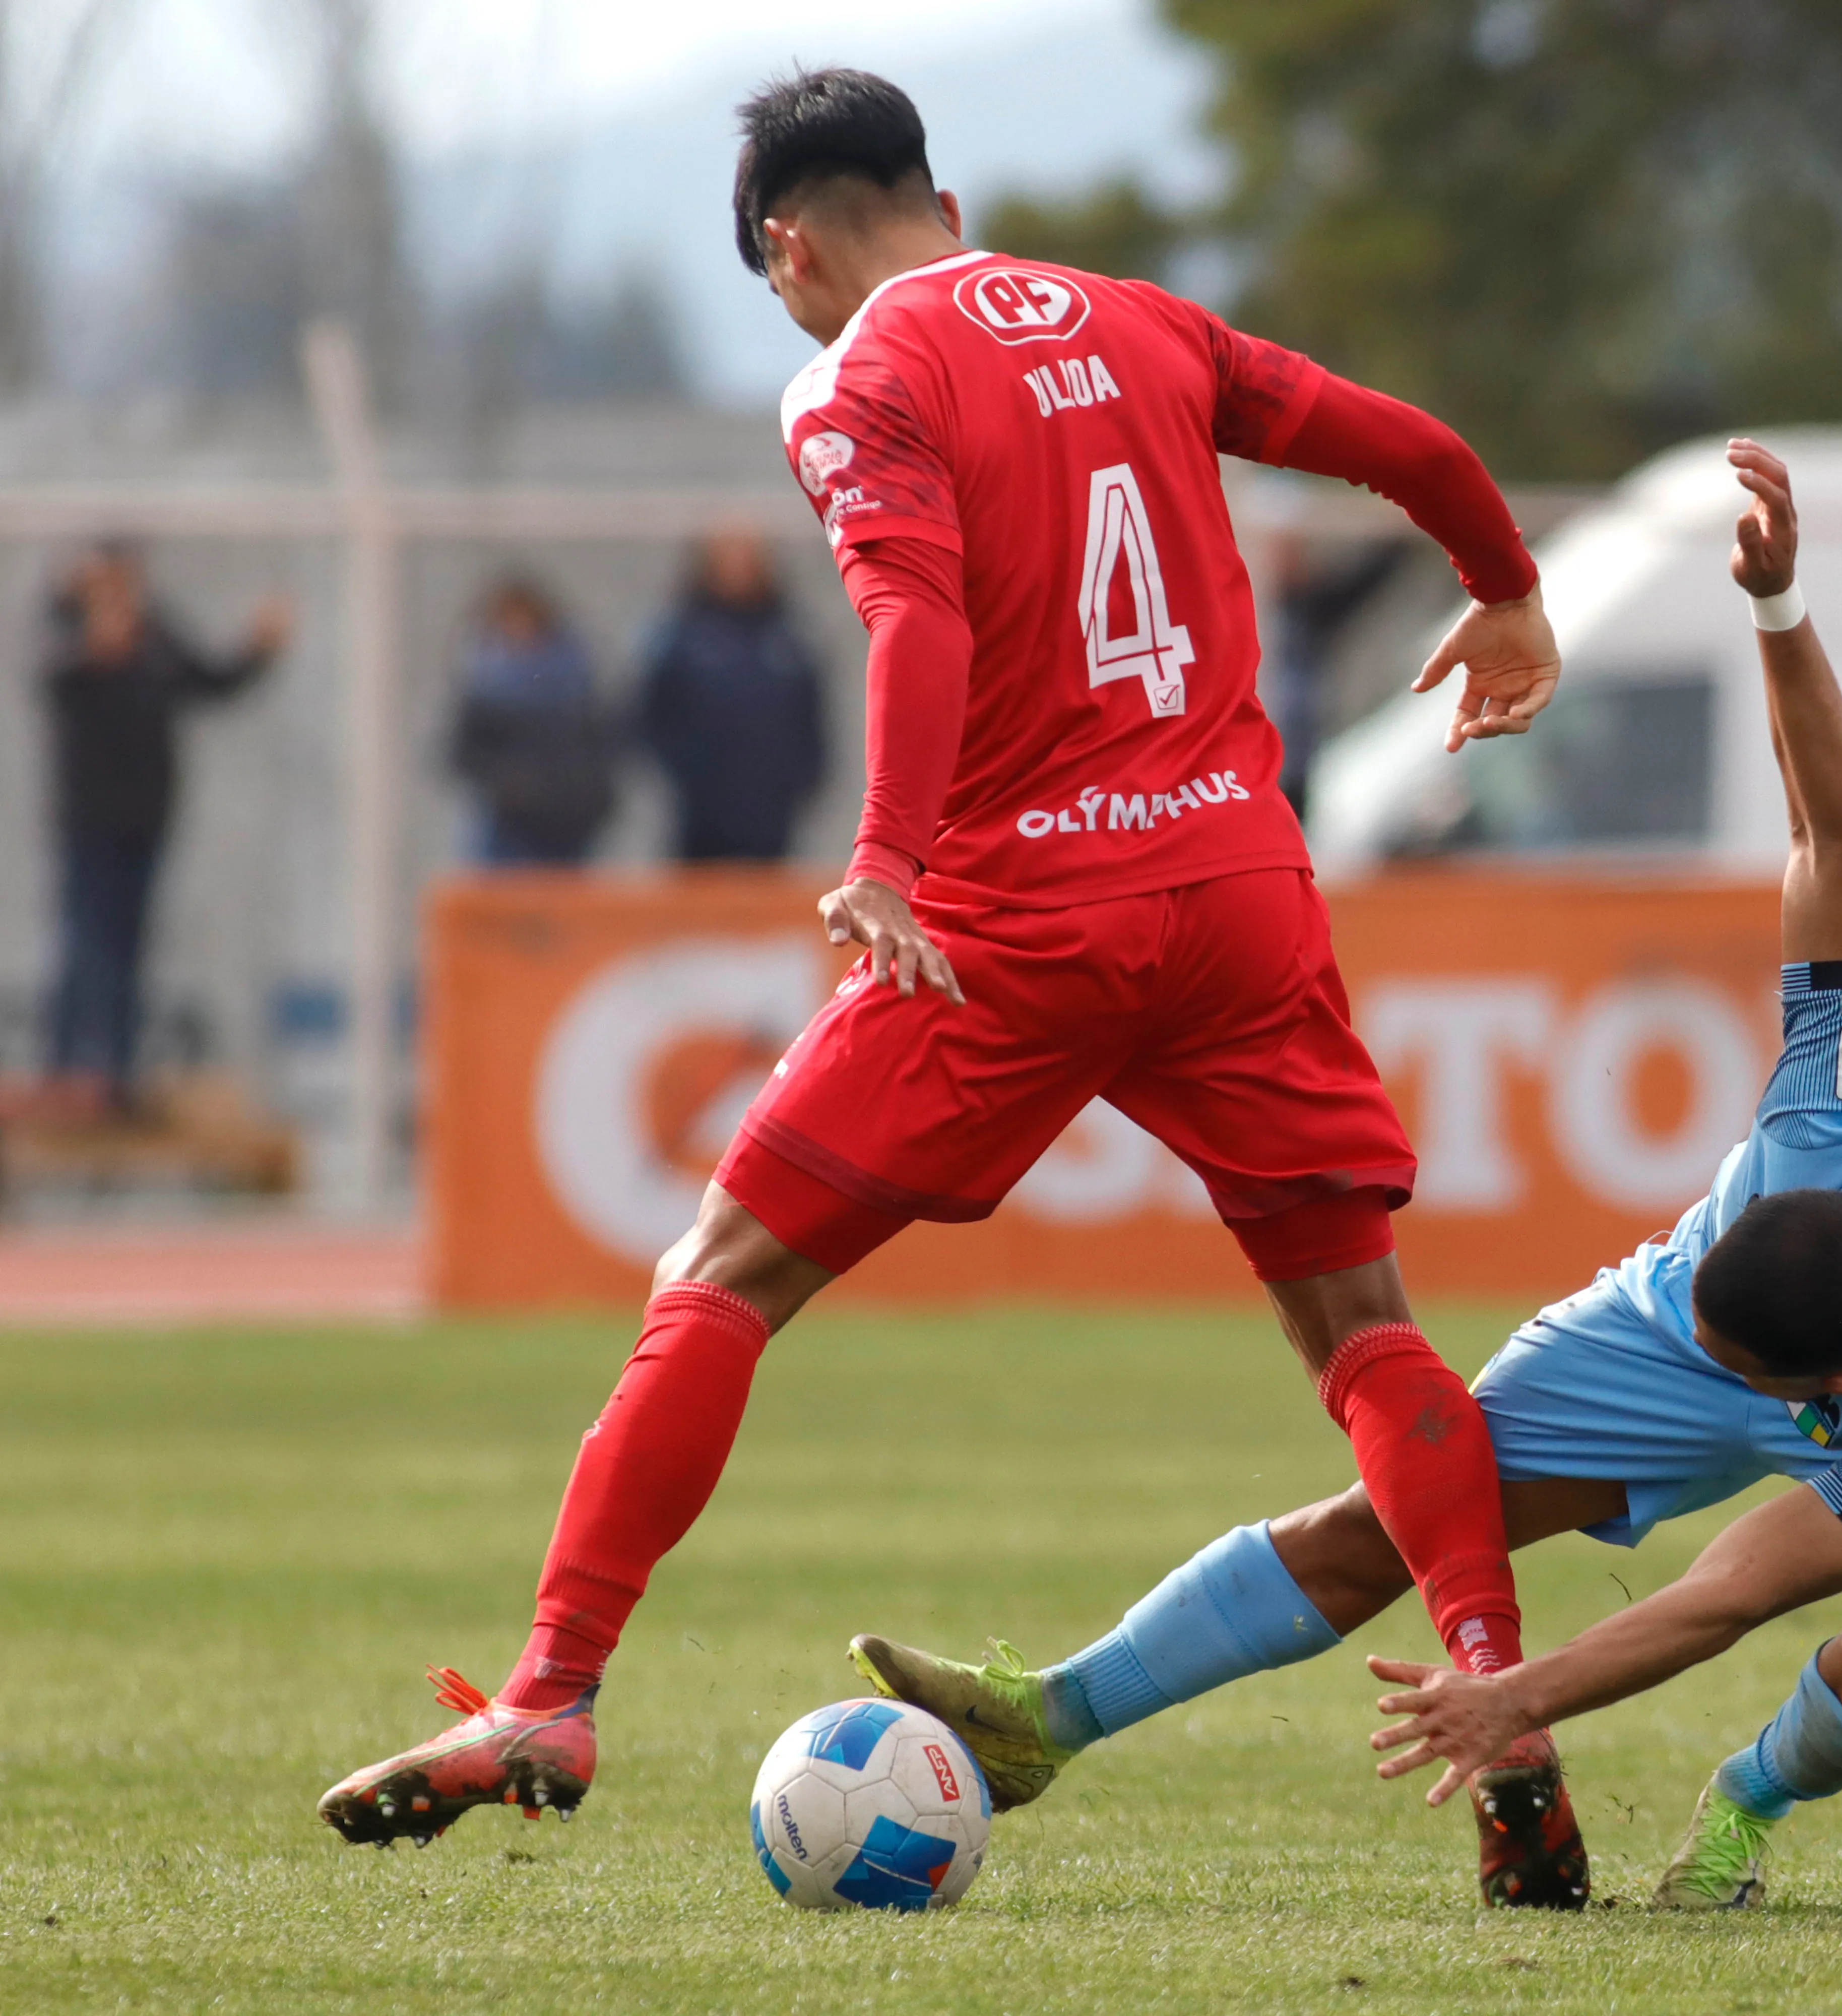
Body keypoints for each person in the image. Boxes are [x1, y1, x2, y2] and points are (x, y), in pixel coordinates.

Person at [317, 68, 1574, 1901]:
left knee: (719, 1281)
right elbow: (1406, 442)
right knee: (1366, 1336)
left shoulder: (857, 377)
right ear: (944, 196)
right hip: (1234, 879)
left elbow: (916, 612)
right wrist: (1507, 584)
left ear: (789, 243)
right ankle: (1498, 1699)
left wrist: (890, 856)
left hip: (1016, 905)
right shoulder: (1142, 324)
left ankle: (549, 1696)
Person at [847, 442, 1842, 1910]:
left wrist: (1519, 1693)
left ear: (1833, 1388)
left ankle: (1748, 1802)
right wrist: (1778, 605)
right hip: (1733, 1318)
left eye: (1753, 1376)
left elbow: (1722, 1594)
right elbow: (1830, 831)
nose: (1734, 1383)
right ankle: (1048, 1714)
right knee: (1408, 1508)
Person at [39, 542, 290, 1116]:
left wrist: (259, 647)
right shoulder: (63, 631)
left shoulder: (155, 633)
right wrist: (91, 644)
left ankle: (116, 1075)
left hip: (146, 819)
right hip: (90, 821)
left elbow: (210, 680)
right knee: (87, 943)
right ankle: (66, 1067)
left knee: (129, 949)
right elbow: (49, 673)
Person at [639, 530, 828, 862]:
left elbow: (811, 717)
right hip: (700, 813)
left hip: (773, 811)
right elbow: (652, 717)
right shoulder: (680, 638)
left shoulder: (788, 639)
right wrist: (686, 774)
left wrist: (802, 778)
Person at [449, 575, 617, 866]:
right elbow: (462, 754)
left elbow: (603, 744)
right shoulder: (485, 687)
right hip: (508, 829)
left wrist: (594, 796)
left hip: (570, 826)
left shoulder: (575, 681)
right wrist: (509, 784)